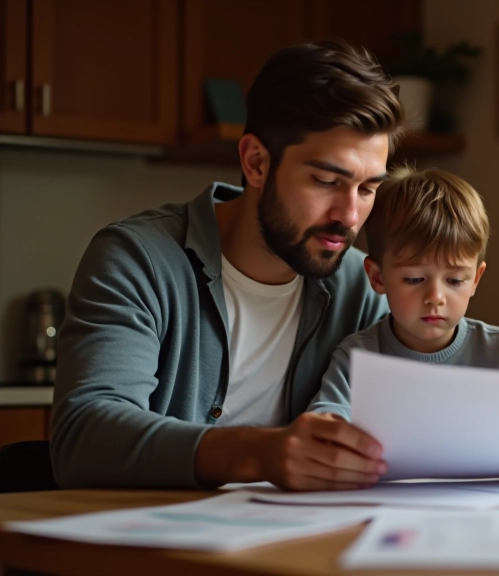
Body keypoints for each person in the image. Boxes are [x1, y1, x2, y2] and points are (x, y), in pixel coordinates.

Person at [51, 41, 403, 490]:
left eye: (368, 189)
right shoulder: (137, 259)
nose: (349, 215)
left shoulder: (363, 286)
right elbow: (83, 437)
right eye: (326, 181)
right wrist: (264, 453)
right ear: (256, 162)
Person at [311, 167, 499, 419]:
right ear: (377, 277)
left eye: (454, 280)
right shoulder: (357, 359)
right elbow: (327, 418)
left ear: (475, 280)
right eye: (415, 279)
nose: (435, 297)